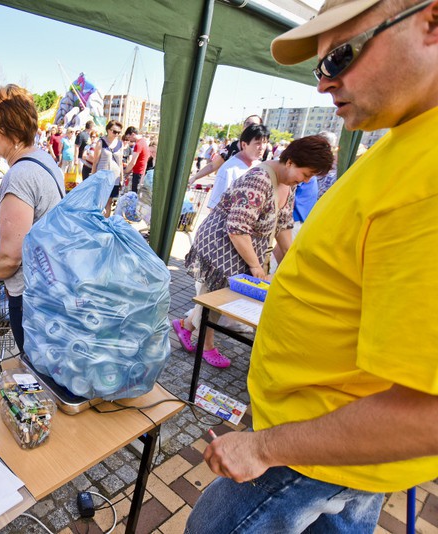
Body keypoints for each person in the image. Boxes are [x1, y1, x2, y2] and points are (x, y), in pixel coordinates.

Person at [186, 0, 438, 531]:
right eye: (318, 66)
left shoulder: (427, 179)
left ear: (430, 20)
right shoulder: (405, 144)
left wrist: (266, 447)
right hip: (334, 449)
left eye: (339, 56)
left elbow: (428, 411)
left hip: (311, 453)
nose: (324, 83)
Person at [173, 136, 333, 368]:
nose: (306, 180)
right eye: (306, 174)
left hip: (244, 243)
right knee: (217, 293)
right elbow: (237, 229)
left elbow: (284, 226)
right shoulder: (259, 179)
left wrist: (291, 262)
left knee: (218, 294)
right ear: (290, 162)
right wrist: (256, 266)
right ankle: (205, 343)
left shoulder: (289, 183)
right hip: (222, 242)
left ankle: (186, 326)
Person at [0, 84, 64, 353]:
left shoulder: (21, 175)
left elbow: (10, 257)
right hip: (51, 288)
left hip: (30, 297)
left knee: (37, 370)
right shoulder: (43, 160)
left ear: (10, 129)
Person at [207, 124, 270, 209]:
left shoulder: (261, 167)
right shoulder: (229, 169)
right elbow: (215, 207)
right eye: (257, 143)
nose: (262, 147)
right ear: (244, 145)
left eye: (265, 143)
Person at [190, 115, 266, 183]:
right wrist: (195, 177)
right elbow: (212, 165)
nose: (248, 126)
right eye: (247, 123)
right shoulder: (231, 147)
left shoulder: (260, 150)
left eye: (253, 124)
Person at [91, 120, 125, 217]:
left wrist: (121, 178)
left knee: (109, 202)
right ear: (108, 130)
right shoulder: (101, 142)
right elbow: (95, 162)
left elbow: (120, 163)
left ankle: (105, 223)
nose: (116, 134)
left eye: (118, 132)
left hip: (115, 177)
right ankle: (96, 221)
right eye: (114, 131)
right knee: (100, 201)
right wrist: (93, 176)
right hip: (102, 176)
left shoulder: (120, 144)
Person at [124, 126, 149, 193]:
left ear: (133, 134)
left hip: (138, 172)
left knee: (134, 193)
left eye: (129, 137)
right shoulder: (143, 141)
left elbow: (133, 162)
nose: (129, 140)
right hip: (141, 171)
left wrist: (125, 171)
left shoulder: (138, 144)